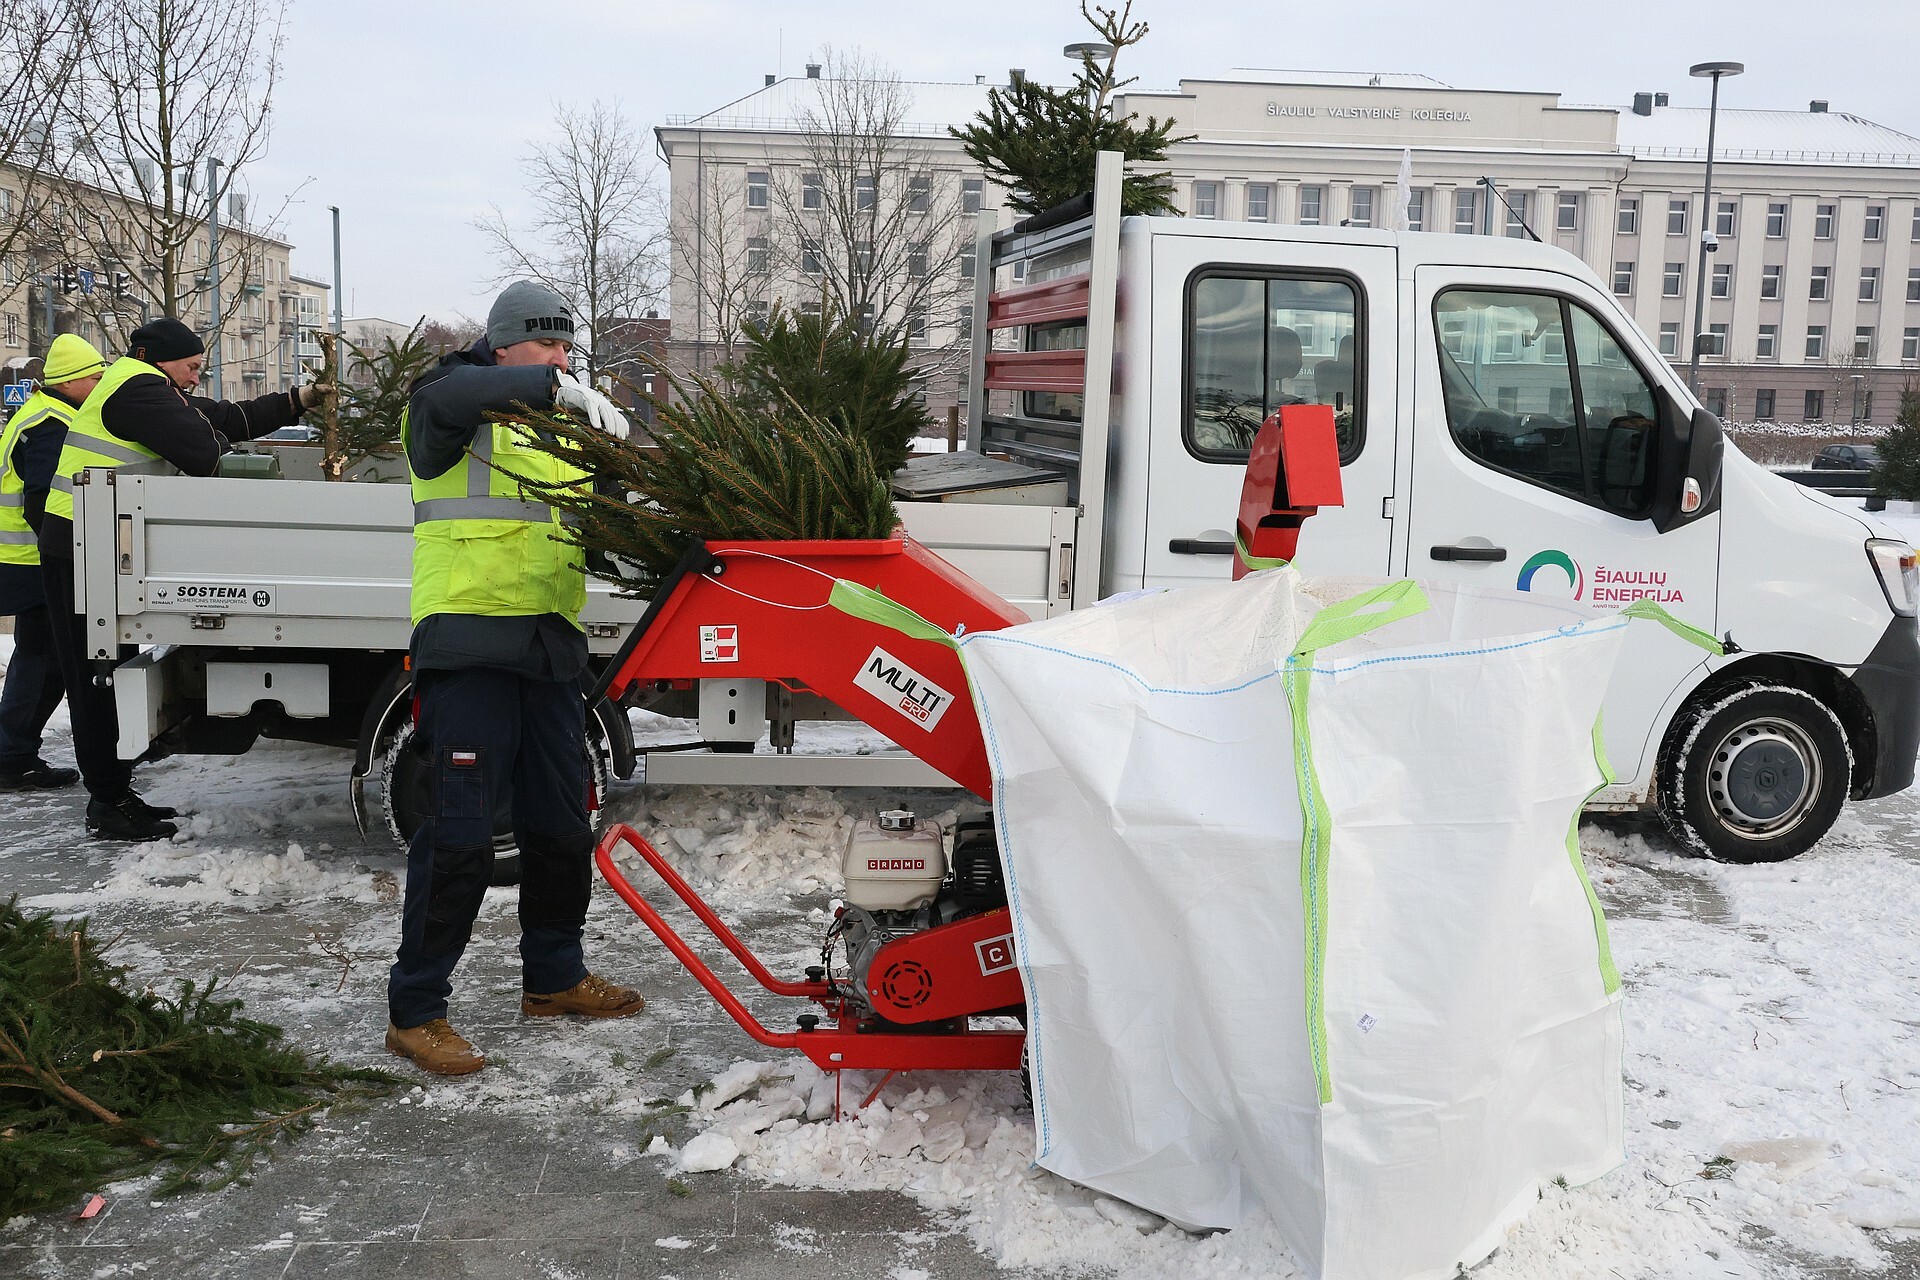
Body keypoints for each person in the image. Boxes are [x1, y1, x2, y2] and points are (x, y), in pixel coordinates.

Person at [384, 281, 643, 1077]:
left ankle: (554, 977)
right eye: (549, 347)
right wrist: (550, 387)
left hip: (549, 649)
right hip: (467, 646)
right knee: (460, 835)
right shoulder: (446, 405)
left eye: (570, 349)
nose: (564, 362)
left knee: (563, 826)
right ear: (504, 347)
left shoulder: (558, 431)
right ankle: (417, 1009)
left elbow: (601, 532)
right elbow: (458, 391)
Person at [37, 317, 327, 841]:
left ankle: (114, 793)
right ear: (157, 358)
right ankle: (106, 801)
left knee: (106, 670)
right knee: (94, 674)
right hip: (81, 547)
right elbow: (204, 450)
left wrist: (298, 399)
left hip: (98, 544)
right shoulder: (136, 389)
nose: (196, 378)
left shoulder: (148, 386)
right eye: (192, 367)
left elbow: (224, 417)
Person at [0, 335, 106, 790]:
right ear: (71, 380)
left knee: (42, 658)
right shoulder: (51, 424)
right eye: (95, 377)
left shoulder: (48, 414)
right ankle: (10, 754)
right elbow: (42, 499)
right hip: (32, 560)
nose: (101, 383)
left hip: (25, 557)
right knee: (41, 659)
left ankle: (14, 750)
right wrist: (67, 553)